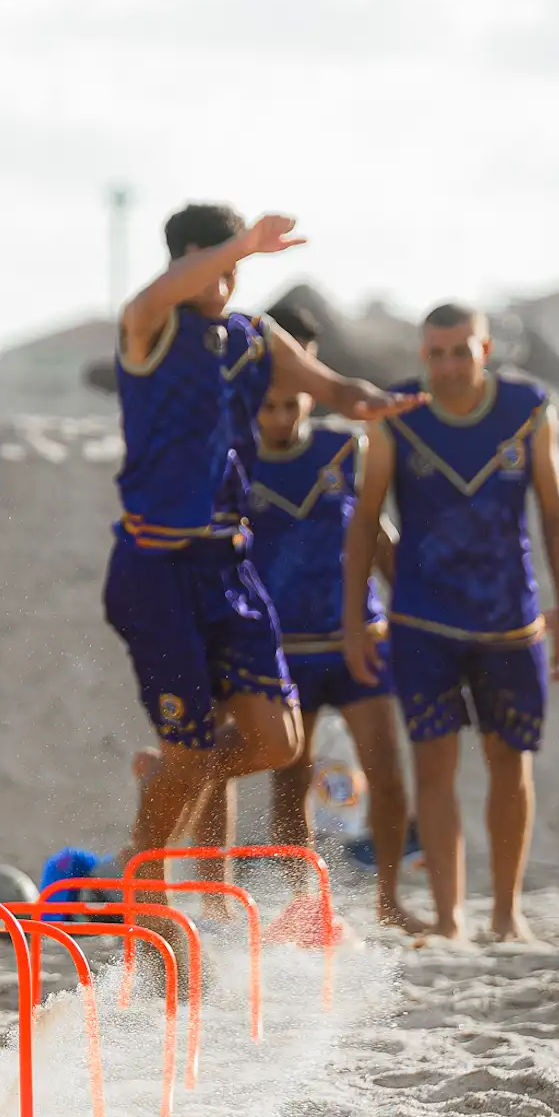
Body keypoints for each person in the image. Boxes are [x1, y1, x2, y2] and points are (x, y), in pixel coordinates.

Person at [106, 204, 423, 916]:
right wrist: (241, 243)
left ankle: (161, 800)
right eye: (216, 261)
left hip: (229, 567)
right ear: (187, 259)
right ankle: (147, 886)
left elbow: (333, 388)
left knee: (277, 743)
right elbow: (160, 292)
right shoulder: (147, 324)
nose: (228, 277)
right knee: (193, 750)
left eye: (236, 265)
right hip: (157, 568)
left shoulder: (254, 337)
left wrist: (371, 401)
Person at [345, 304, 559, 942]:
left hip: (511, 620)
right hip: (423, 621)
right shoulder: (396, 413)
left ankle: (506, 915)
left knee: (511, 764)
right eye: (435, 352)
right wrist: (353, 620)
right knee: (434, 769)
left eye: (460, 351)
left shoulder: (529, 408)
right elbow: (365, 520)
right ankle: (450, 917)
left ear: (485, 349)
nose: (447, 365)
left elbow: (555, 512)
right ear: (422, 353)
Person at [224, 299, 425, 933]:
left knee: (385, 771)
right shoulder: (235, 459)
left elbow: (378, 535)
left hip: (355, 638)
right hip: (281, 647)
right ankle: (303, 906)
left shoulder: (345, 449)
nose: (282, 416)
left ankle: (390, 901)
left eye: (293, 403)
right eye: (271, 405)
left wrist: (412, 609)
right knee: (291, 781)